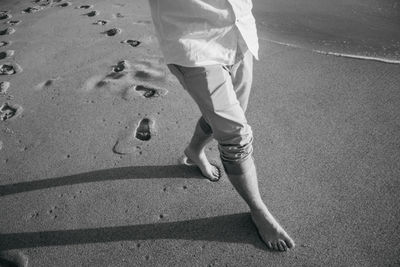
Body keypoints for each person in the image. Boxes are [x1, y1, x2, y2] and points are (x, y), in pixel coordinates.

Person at [148, 0, 295, 251]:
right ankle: (258, 210)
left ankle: (194, 151)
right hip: (192, 41)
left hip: (239, 31)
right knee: (236, 135)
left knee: (230, 114)